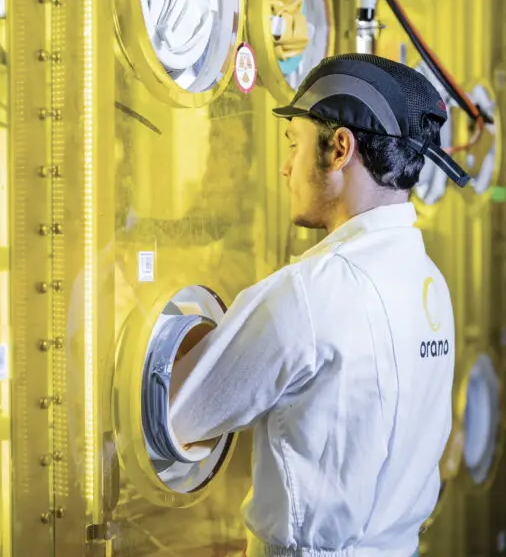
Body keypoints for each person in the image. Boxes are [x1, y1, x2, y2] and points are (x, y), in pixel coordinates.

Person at [168, 53, 465, 557]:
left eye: (294, 143)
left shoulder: (312, 294)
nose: (286, 167)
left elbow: (180, 412)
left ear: (340, 149)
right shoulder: (429, 284)